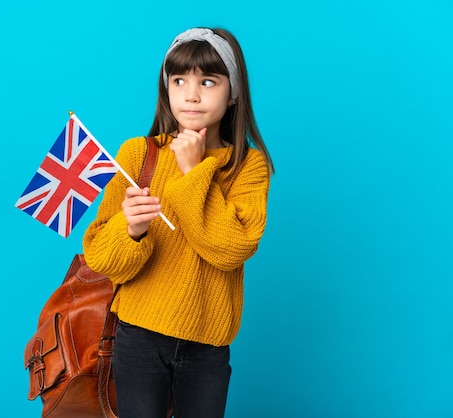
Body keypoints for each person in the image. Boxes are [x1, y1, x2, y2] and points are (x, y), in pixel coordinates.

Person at [82, 27, 274, 418]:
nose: (191, 94)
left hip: (207, 343)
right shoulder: (139, 155)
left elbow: (231, 250)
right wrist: (131, 230)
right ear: (166, 87)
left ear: (233, 92)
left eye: (208, 81)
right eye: (179, 80)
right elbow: (101, 256)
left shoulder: (247, 167)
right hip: (138, 336)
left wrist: (194, 173)